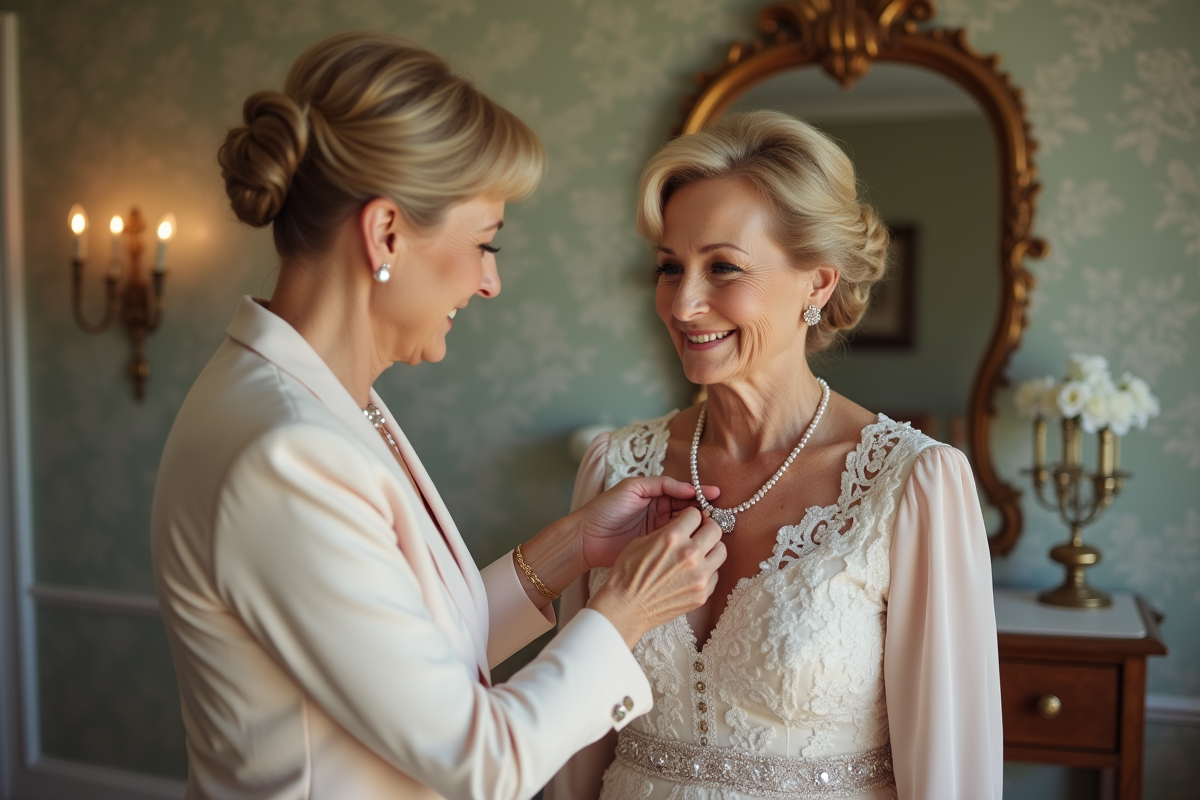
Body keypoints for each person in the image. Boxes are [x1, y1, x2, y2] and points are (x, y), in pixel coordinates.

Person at [150, 31, 728, 800]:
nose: (490, 282)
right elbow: (478, 761)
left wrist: (572, 549)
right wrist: (626, 610)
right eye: (485, 243)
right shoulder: (286, 454)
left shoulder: (317, 400)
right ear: (386, 232)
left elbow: (402, 655)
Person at [548, 110, 1002, 800]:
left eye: (723, 267)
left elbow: (950, 773)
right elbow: (574, 740)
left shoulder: (913, 483)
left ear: (817, 284)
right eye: (670, 268)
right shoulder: (615, 466)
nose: (683, 304)